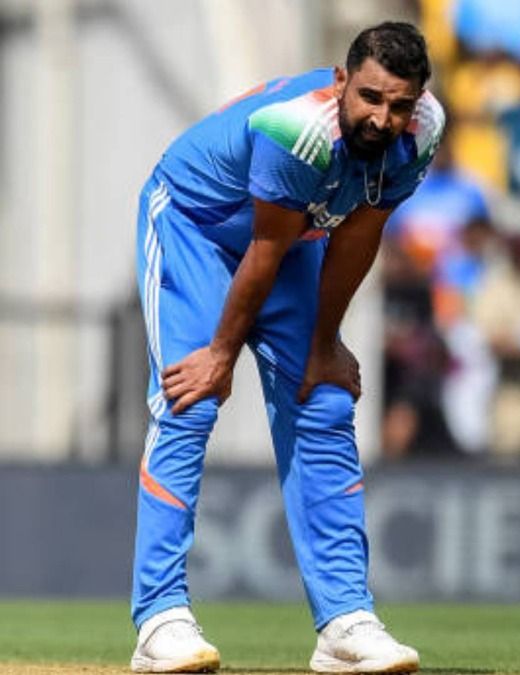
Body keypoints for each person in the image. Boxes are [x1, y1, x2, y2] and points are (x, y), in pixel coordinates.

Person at [130, 22, 442, 674]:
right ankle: (159, 618)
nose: (383, 119)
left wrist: (325, 344)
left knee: (323, 398)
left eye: (400, 104)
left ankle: (345, 622)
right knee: (191, 398)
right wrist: (221, 353)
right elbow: (262, 251)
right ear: (340, 82)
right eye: (370, 97)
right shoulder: (295, 130)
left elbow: (359, 234)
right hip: (195, 223)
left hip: (290, 240)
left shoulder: (424, 131)